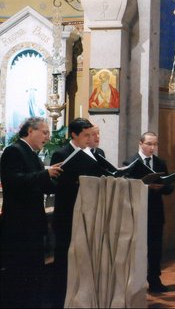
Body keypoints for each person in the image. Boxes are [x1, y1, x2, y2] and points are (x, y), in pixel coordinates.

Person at [0, 117, 62, 308]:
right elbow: (13, 180)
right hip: (19, 224)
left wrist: (65, 179)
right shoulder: (14, 150)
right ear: (30, 131)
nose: (48, 137)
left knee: (34, 270)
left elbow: (44, 186)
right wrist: (45, 174)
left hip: (33, 223)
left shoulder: (32, 154)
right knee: (19, 272)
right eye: (44, 132)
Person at [50, 117, 95, 307]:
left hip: (85, 212)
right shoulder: (61, 153)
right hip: (66, 214)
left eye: (91, 135)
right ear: (74, 135)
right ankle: (60, 300)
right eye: (86, 135)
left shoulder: (90, 153)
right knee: (63, 259)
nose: (89, 139)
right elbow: (55, 185)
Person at [123, 132, 175, 293]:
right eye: (149, 144)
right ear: (141, 143)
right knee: (137, 247)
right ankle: (136, 280)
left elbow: (169, 188)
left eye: (155, 144)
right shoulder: (130, 162)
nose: (153, 147)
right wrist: (146, 186)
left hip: (155, 211)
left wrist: (164, 186)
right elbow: (125, 186)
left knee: (155, 247)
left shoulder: (160, 163)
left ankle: (154, 279)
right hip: (137, 210)